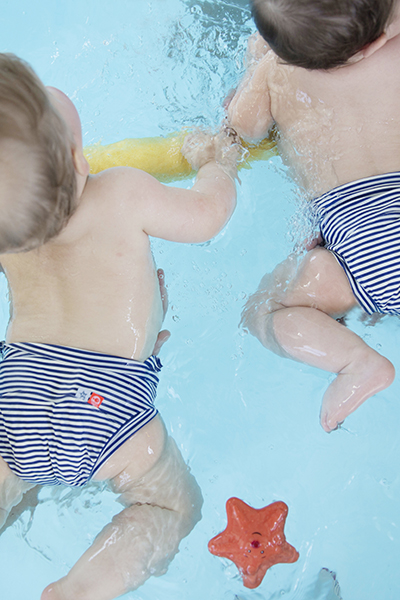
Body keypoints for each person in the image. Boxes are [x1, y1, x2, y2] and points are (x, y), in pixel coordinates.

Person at [0, 53, 240, 600]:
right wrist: (217, 162)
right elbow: (208, 216)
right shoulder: (122, 191)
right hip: (106, 406)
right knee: (171, 505)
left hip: (15, 405)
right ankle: (80, 591)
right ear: (78, 159)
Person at [227, 0, 400, 432]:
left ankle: (357, 362)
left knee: (264, 310)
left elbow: (240, 125)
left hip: (359, 255)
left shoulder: (273, 71)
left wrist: (255, 64)